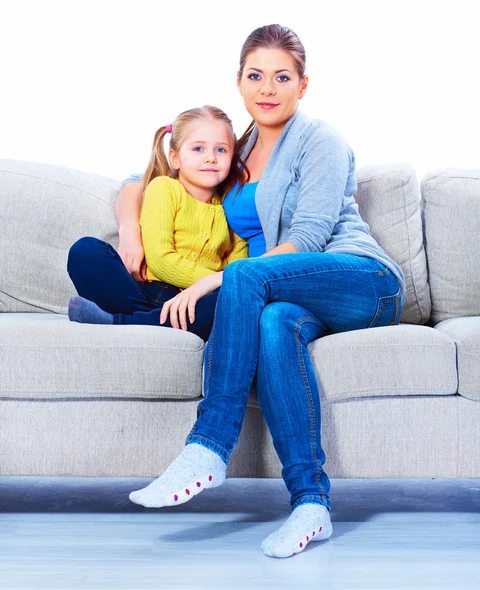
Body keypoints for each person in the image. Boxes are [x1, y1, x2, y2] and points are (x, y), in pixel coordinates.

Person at [120, 24, 406, 559]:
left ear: (303, 85)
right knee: (274, 324)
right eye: (256, 76)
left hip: (362, 280)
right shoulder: (238, 144)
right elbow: (144, 178)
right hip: (293, 296)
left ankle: (208, 446)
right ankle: (311, 504)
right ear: (239, 81)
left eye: (281, 77)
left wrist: (213, 280)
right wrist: (132, 230)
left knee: (248, 281)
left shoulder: (320, 140)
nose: (267, 88)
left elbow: (311, 237)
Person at [66, 106, 248, 342]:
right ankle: (157, 320)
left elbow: (237, 272)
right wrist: (213, 279)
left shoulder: (232, 208)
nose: (210, 157)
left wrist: (214, 286)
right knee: (85, 251)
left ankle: (121, 322)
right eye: (198, 148)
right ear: (175, 158)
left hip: (194, 302)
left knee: (235, 299)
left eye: (221, 150)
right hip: (147, 289)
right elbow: (161, 260)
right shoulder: (163, 188)